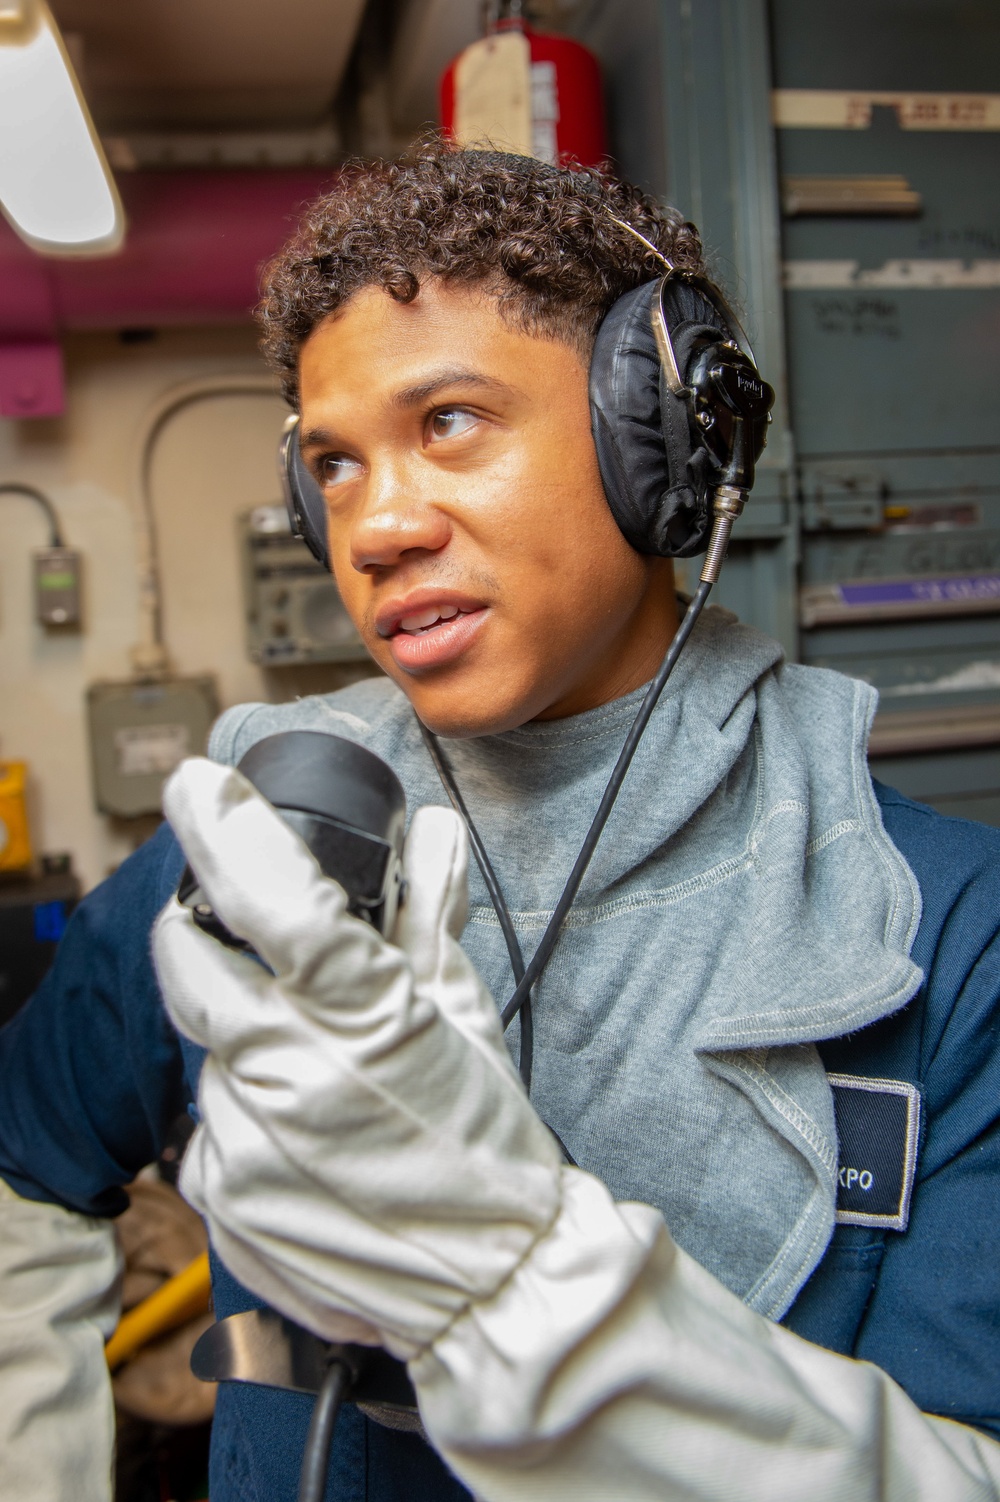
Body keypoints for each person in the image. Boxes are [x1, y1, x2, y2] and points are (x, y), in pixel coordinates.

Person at [0, 142, 998, 1502]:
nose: (379, 526)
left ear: (661, 430)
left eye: (450, 421)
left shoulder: (944, 934)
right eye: (335, 467)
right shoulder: (255, 856)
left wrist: (511, 1273)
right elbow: (19, 1166)